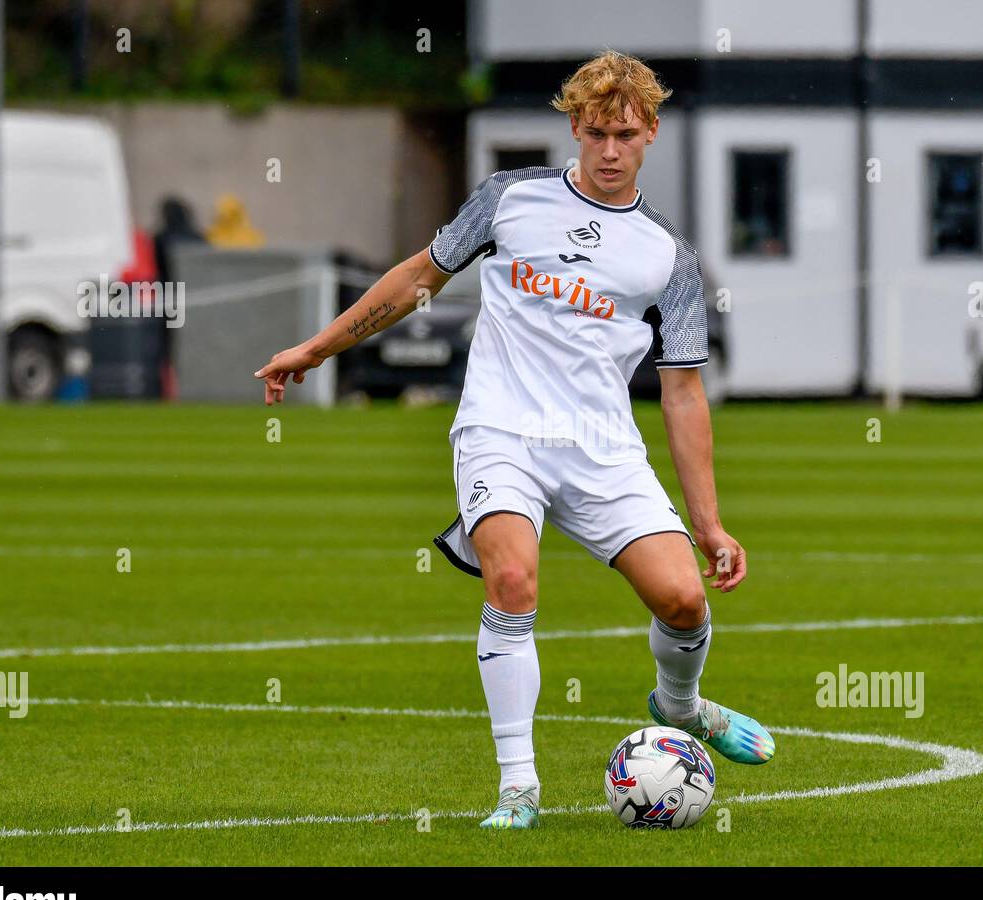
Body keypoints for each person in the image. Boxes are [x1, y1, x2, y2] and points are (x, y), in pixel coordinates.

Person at [254, 50, 774, 831]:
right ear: (573, 126)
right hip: (500, 429)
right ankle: (519, 791)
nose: (608, 150)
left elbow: (683, 391)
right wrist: (316, 349)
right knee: (513, 584)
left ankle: (681, 705)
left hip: (602, 445)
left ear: (652, 134)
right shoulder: (510, 199)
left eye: (624, 135)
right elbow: (416, 278)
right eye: (595, 132)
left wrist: (709, 525)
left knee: (683, 599)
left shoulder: (669, 257)